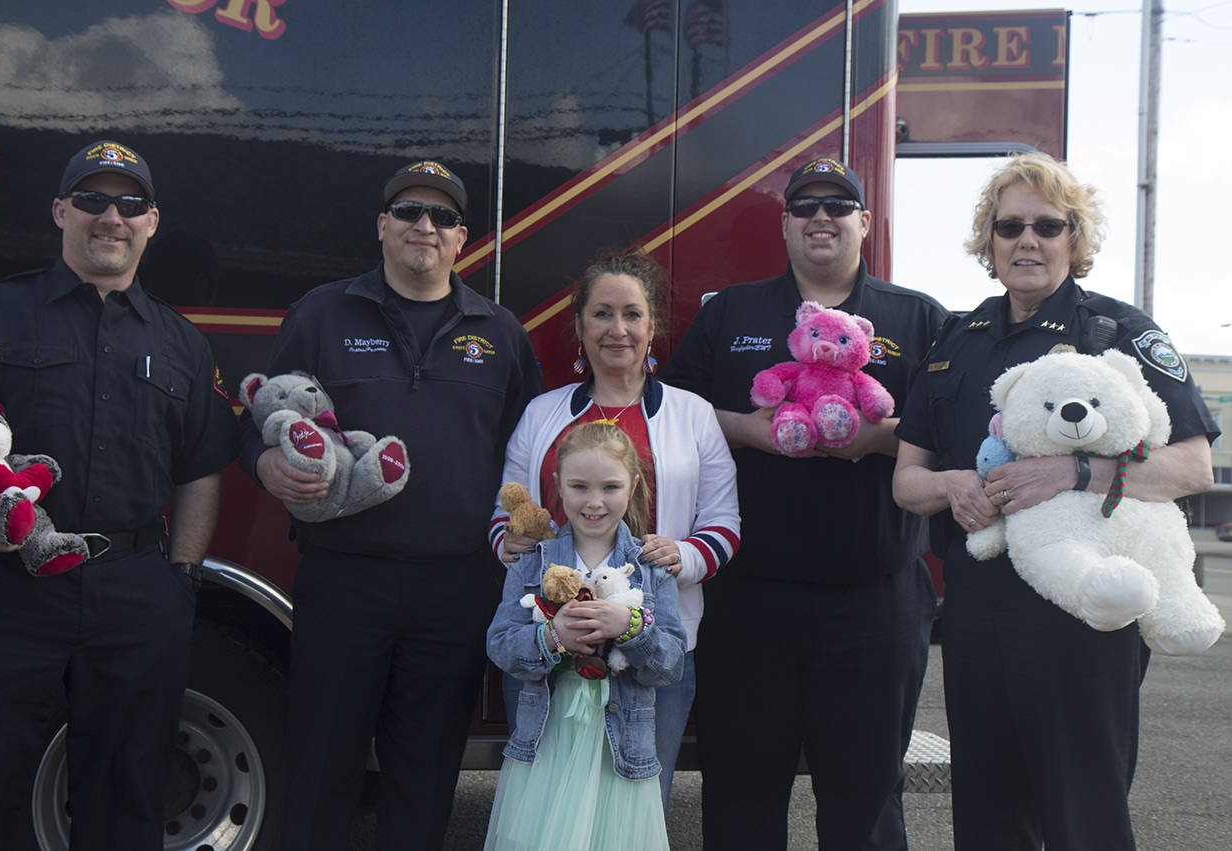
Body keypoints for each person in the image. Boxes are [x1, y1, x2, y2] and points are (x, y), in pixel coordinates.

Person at [892, 152, 1217, 850]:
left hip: (1086, 616)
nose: (1027, 241)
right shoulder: (957, 340)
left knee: (1084, 815)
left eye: (1048, 224)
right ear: (990, 240)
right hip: (978, 609)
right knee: (985, 816)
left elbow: (1192, 465)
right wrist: (951, 484)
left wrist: (1076, 472)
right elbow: (907, 482)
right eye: (1010, 226)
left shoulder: (1116, 333)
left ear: (1075, 237)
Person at [0, 139, 239, 849]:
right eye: (93, 200)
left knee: (128, 798)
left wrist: (180, 582)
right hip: (11, 585)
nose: (112, 217)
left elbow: (200, 469)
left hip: (135, 591)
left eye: (130, 204)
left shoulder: (183, 344)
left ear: (152, 221)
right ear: (60, 210)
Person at [238, 160, 542, 850]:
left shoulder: (498, 333)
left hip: (456, 591)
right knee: (322, 770)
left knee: (426, 777)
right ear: (382, 225)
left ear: (462, 237)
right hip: (344, 582)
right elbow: (254, 419)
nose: (423, 227)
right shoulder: (320, 314)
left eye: (441, 217)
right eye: (408, 211)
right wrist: (265, 464)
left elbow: (529, 455)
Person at [660, 155, 947, 849]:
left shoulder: (919, 316)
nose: (823, 217)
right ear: (786, 225)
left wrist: (877, 440)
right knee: (740, 795)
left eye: (839, 206)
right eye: (807, 207)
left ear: (865, 223)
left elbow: (953, 433)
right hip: (750, 602)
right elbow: (674, 413)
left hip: (875, 604)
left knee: (866, 800)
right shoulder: (731, 311)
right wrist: (752, 431)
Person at [487, 246, 740, 810]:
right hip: (547, 643)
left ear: (654, 327)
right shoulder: (542, 413)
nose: (617, 329)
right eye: (601, 314)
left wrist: (683, 555)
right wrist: (510, 541)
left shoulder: (693, 414)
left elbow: (723, 523)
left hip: (653, 649)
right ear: (579, 326)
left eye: (632, 314)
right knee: (546, 809)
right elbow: (506, 511)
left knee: (634, 805)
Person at [484, 422, 686, 851]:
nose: (594, 502)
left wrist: (630, 628)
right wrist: (551, 638)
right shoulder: (531, 563)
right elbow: (500, 644)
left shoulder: (651, 566)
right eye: (579, 486)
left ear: (632, 486)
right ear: (557, 485)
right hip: (550, 743)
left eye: (610, 487)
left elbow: (671, 664)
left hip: (621, 750)